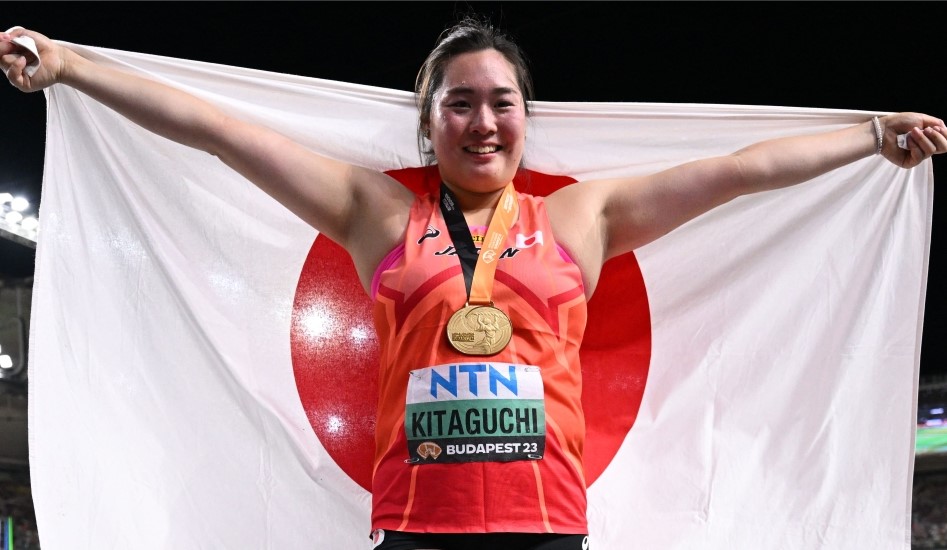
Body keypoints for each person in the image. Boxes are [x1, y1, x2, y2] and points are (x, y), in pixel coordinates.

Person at [2, 17, 945, 550]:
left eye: (501, 102)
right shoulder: (375, 212)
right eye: (460, 103)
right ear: (430, 122)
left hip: (545, 531)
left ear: (524, 119)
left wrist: (866, 137)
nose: (483, 121)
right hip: (416, 533)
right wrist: (74, 67)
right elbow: (217, 132)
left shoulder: (583, 217)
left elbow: (740, 170)